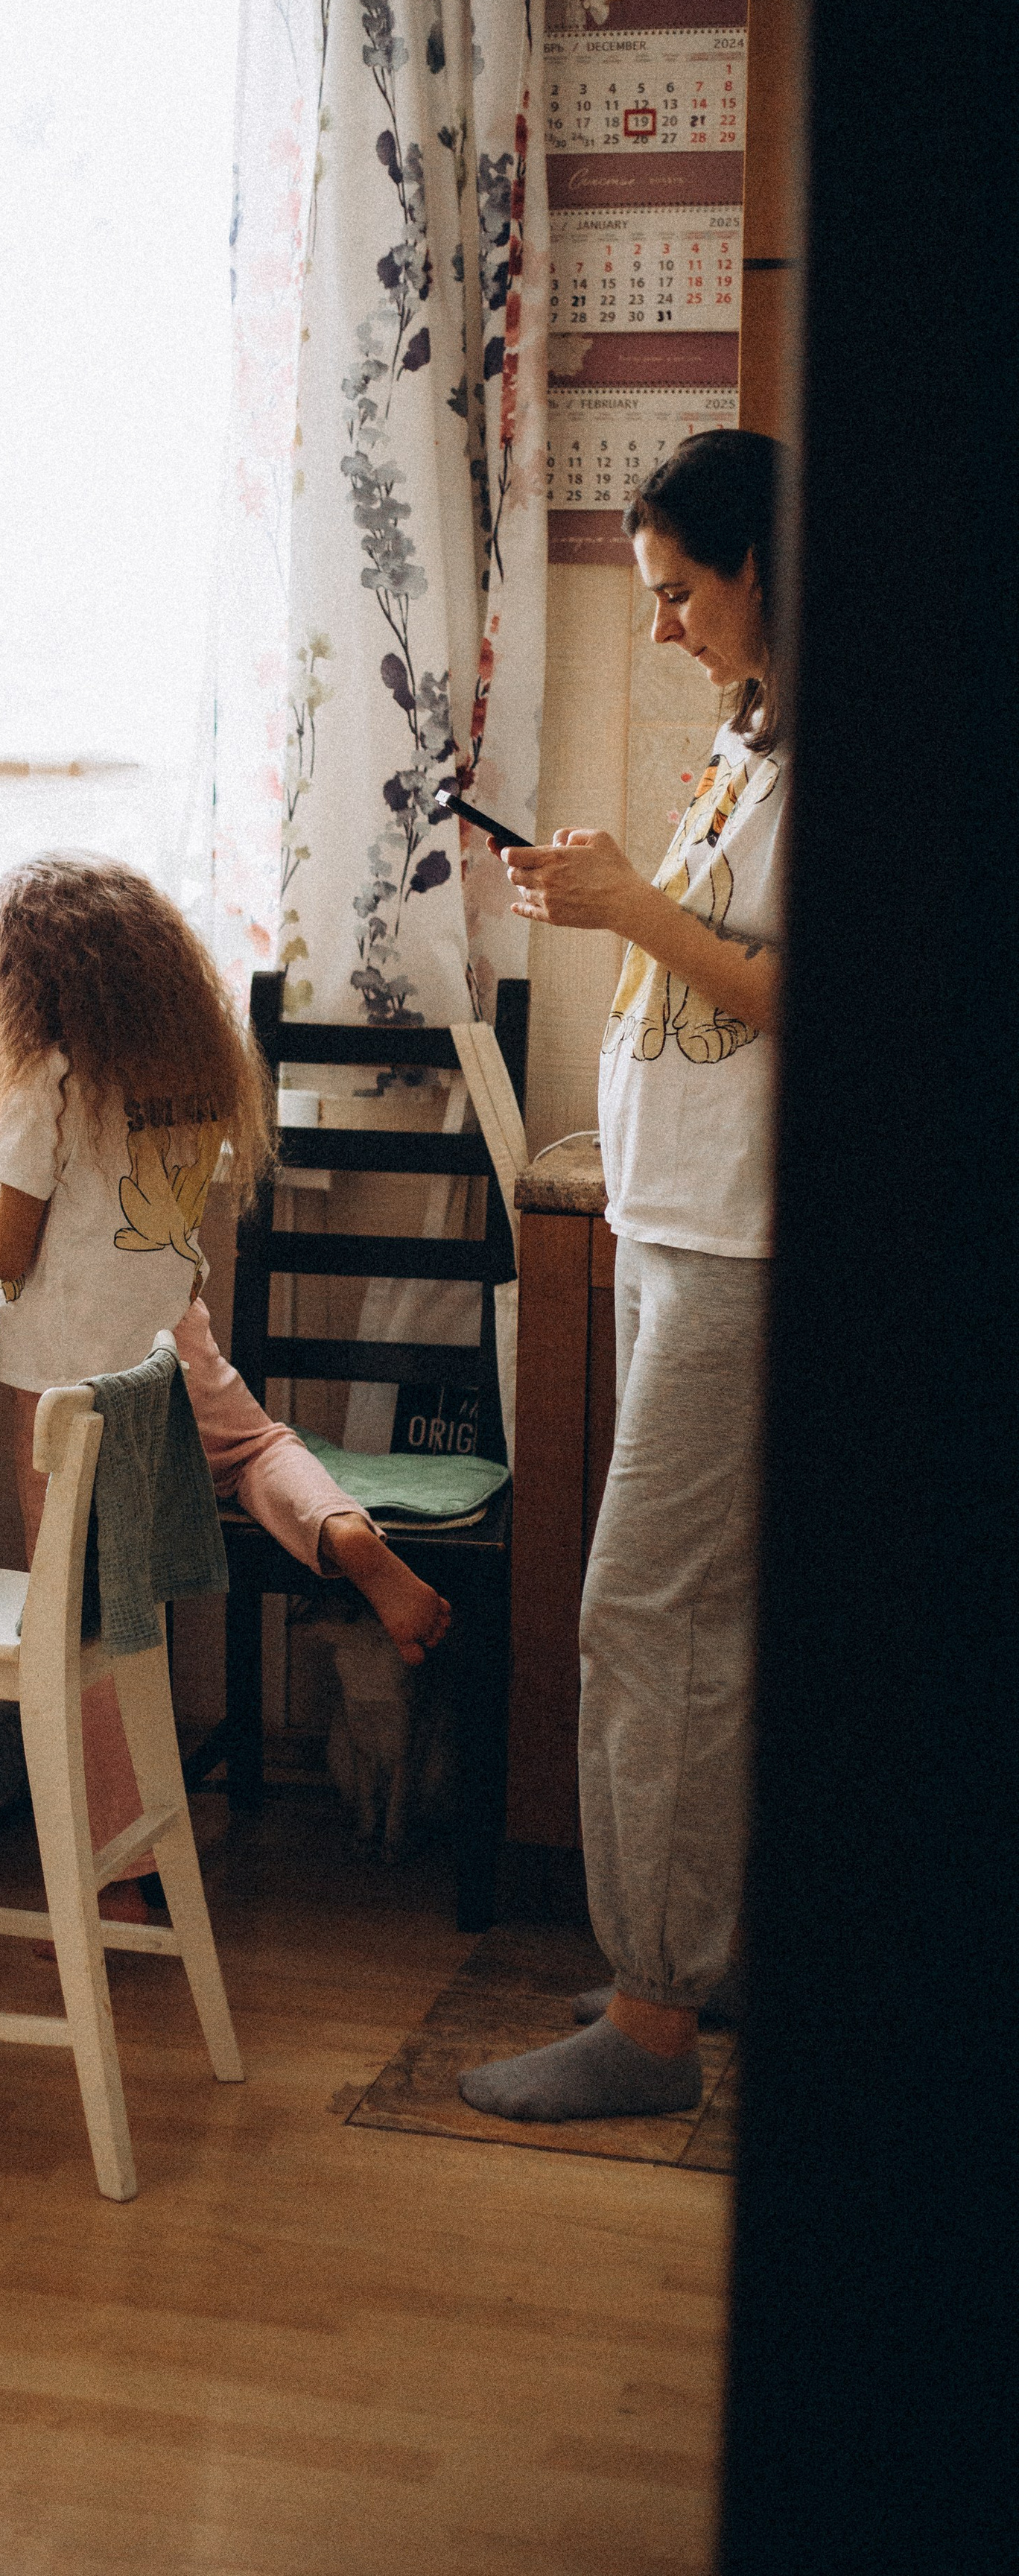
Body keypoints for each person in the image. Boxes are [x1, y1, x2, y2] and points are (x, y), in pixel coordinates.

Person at [0, 854, 451, 1927]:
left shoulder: (49, 1078)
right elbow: (109, 1205)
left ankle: (125, 1870)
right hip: (172, 1337)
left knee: (86, 1616)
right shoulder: (193, 1060)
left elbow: (9, 1253)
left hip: (72, 1382)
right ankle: (346, 1534)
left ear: (32, 981)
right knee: (253, 1451)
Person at [459, 430, 786, 2120]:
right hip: (679, 1218)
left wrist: (627, 911)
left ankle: (651, 2022)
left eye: (675, 593)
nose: (658, 625)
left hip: (739, 1243)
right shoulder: (750, 737)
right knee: (691, 1627)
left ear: (759, 571)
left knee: (639, 1614)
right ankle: (687, 1966)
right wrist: (609, 896)